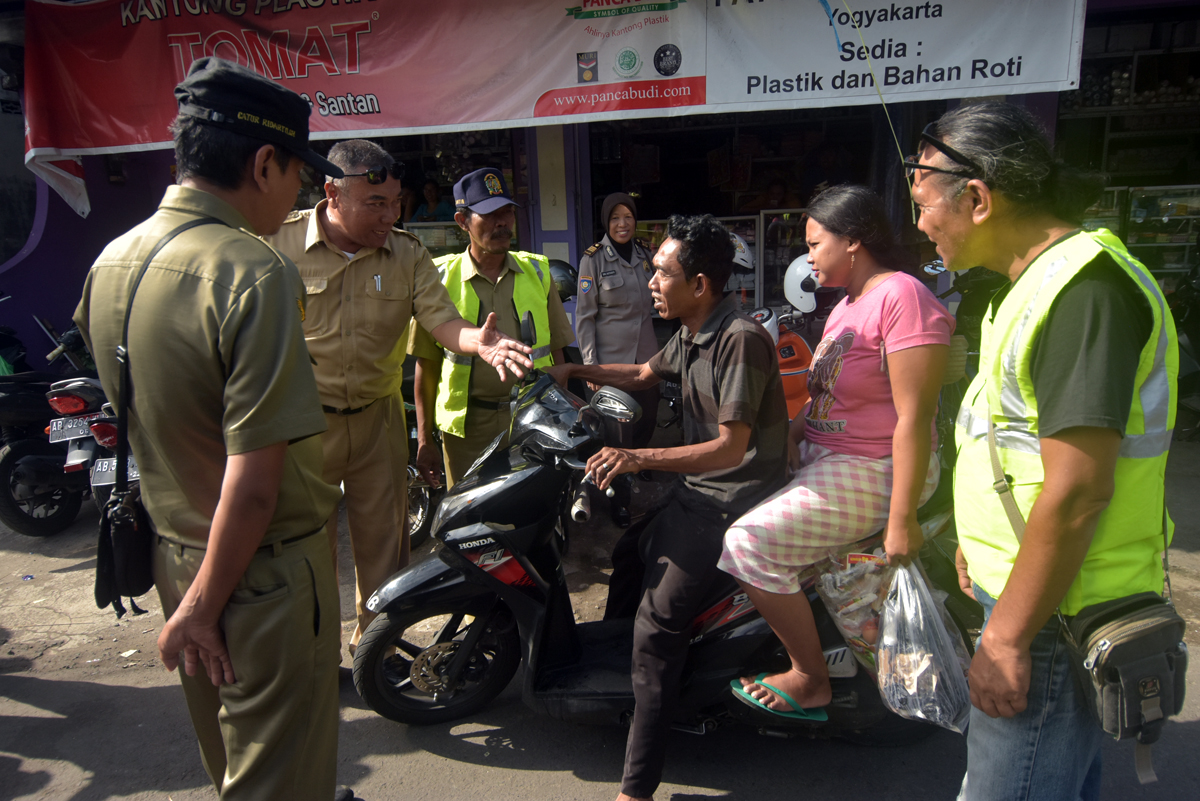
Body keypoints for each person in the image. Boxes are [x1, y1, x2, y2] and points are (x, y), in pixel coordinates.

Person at [73, 57, 349, 800]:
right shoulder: (252, 272)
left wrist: (190, 595)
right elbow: (255, 485)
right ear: (264, 163)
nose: (298, 194)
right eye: (297, 174)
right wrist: (203, 608)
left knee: (232, 770)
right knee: (278, 783)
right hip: (258, 577)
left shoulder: (111, 261)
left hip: (178, 555)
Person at [908, 101, 1177, 801]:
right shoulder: (1022, 291)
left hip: (1056, 609)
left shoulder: (1082, 289)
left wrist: (1003, 638)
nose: (920, 226)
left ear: (977, 198)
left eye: (921, 203)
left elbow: (1079, 488)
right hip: (1033, 590)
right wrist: (976, 539)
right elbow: (1009, 449)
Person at [544, 214, 789, 801]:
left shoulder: (739, 338)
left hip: (731, 500)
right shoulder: (696, 328)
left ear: (699, 284)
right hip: (699, 491)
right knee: (628, 553)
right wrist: (573, 371)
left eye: (661, 272)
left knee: (656, 634)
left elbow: (733, 447)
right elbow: (642, 373)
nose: (651, 281)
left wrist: (640, 459)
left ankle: (637, 787)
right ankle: (619, 691)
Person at [264, 141, 533, 658]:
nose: (390, 215)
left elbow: (442, 320)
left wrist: (478, 340)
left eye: (395, 203)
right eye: (376, 204)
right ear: (332, 194)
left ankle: (373, 650)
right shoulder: (278, 243)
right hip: (302, 426)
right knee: (308, 551)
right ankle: (317, 658)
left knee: (385, 546)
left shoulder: (406, 253)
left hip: (377, 422)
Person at [718, 184, 953, 716]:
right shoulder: (848, 305)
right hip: (830, 460)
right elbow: (827, 399)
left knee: (748, 545)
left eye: (814, 243)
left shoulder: (902, 296)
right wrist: (786, 439)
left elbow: (915, 417)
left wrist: (900, 521)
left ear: (853, 241)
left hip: (877, 467)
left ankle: (810, 677)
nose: (807, 258)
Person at [411, 167, 573, 487]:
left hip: (533, 420)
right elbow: (426, 365)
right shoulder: (439, 279)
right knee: (473, 519)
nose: (502, 222)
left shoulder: (538, 273)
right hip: (467, 432)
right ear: (462, 222)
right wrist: (424, 439)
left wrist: (563, 418)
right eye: (489, 214)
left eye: (507, 212)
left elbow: (558, 354)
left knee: (532, 509)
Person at [575, 192, 659, 526]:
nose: (622, 224)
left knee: (648, 419)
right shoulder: (592, 260)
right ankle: (620, 499)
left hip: (646, 359)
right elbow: (584, 318)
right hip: (610, 364)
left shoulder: (643, 255)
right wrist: (591, 364)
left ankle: (638, 463)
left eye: (628, 217)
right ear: (606, 223)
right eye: (615, 218)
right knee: (618, 434)